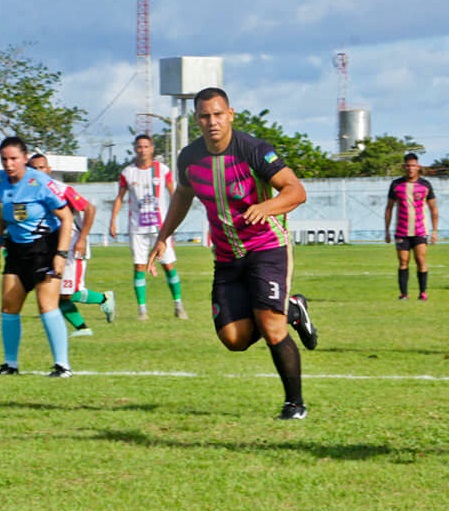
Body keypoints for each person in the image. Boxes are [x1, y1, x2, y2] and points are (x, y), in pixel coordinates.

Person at [148, 87, 318, 420]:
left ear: (231, 115)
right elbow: (183, 196)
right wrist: (163, 236)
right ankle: (291, 309)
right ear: (196, 119)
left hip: (267, 249)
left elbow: (296, 191)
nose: (212, 121)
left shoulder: (254, 151)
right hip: (226, 258)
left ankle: (295, 404)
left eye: (218, 114)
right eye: (204, 116)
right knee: (233, 338)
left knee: (272, 328)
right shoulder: (189, 158)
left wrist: (266, 207)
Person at [0, 137, 74, 378]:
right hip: (15, 249)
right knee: (8, 306)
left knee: (46, 305)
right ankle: (10, 364)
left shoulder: (40, 183)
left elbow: (66, 218)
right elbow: (3, 217)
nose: (8, 164)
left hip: (45, 248)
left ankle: (62, 365)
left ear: (25, 158)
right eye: (4, 159)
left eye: (14, 158)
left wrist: (60, 254)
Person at [28, 154, 116, 337]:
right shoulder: (29, 192)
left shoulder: (62, 189)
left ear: (49, 170)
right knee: (53, 292)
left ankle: (103, 298)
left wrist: (82, 239)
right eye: (33, 168)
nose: (38, 172)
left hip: (72, 247)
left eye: (41, 167)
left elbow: (90, 209)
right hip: (51, 249)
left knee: (68, 292)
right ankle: (83, 329)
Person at [109, 134, 187, 321]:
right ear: (135, 149)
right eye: (139, 147)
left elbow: (175, 194)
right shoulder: (127, 173)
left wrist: (175, 219)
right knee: (139, 266)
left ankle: (178, 305)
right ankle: (142, 310)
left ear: (152, 149)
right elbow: (120, 197)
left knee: (168, 265)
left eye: (146, 146)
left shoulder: (163, 170)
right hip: (137, 228)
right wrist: (113, 220)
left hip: (161, 228)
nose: (142, 150)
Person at [384, 153, 439, 300]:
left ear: (418, 167)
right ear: (404, 167)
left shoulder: (425, 185)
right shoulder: (396, 185)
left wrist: (434, 231)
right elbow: (389, 208)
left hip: (420, 230)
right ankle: (404, 294)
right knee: (403, 262)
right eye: (408, 165)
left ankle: (422, 293)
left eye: (413, 165)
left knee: (421, 260)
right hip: (401, 231)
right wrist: (387, 231)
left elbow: (433, 209)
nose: (410, 168)